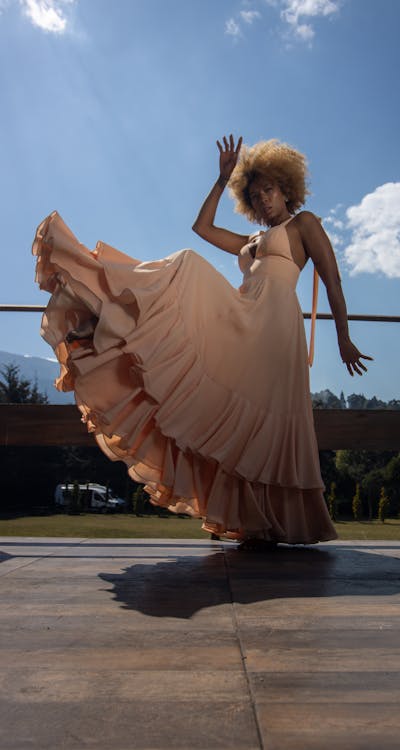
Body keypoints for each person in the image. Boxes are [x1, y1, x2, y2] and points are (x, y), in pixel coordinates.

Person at [32, 135, 371, 549]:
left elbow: (332, 279)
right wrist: (222, 178)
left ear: (286, 189)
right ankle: (112, 315)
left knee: (264, 414)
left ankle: (115, 314)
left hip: (276, 326)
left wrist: (343, 336)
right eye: (255, 194)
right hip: (242, 317)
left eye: (269, 190)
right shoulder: (250, 242)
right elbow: (202, 228)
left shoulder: (304, 225)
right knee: (190, 267)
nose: (264, 200)